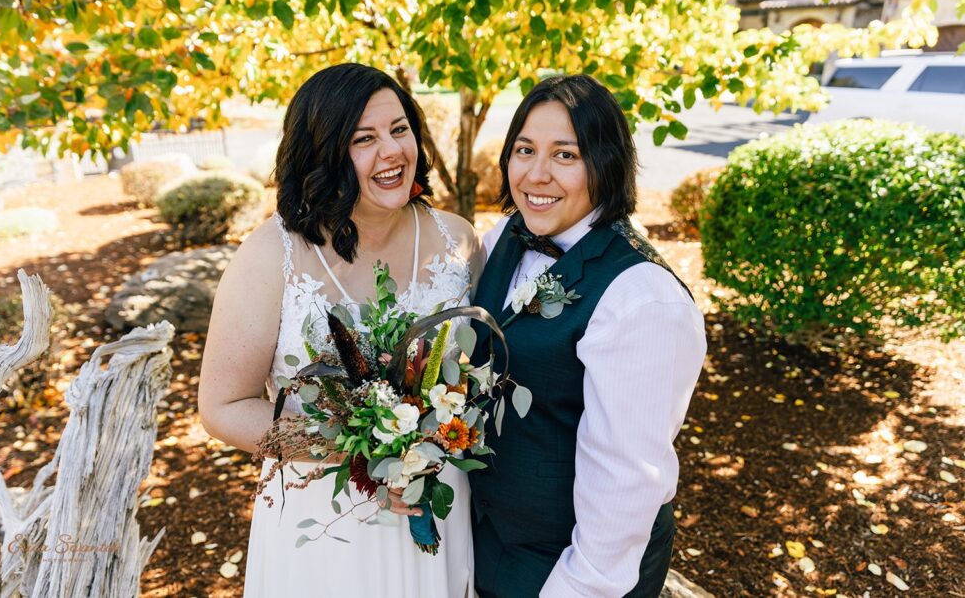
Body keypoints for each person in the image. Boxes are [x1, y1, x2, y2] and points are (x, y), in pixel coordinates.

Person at [198, 63, 483, 597]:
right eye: (363, 139)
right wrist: (363, 456)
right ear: (324, 153)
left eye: (400, 130)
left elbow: (475, 373)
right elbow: (223, 406)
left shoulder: (458, 241)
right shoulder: (271, 255)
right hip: (324, 532)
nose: (392, 152)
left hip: (437, 504)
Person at [467, 75, 706, 597]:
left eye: (565, 155)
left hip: (573, 571)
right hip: (489, 547)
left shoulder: (642, 300)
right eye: (524, 150)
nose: (536, 174)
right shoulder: (502, 238)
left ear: (606, 163)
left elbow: (626, 486)